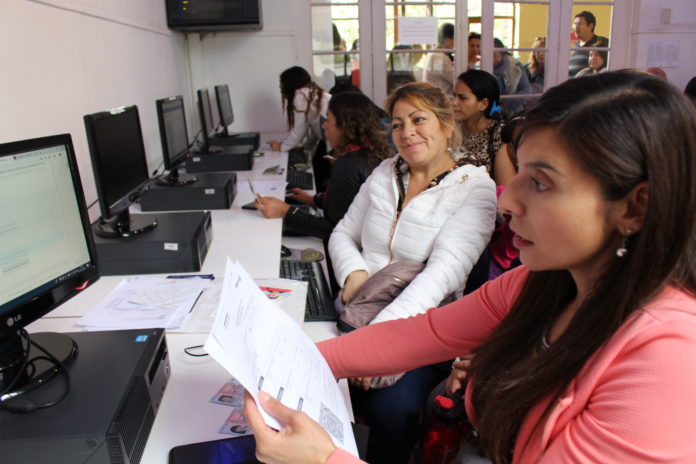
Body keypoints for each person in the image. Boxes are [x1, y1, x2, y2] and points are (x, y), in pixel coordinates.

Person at [244, 71, 696, 464]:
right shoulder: (541, 284)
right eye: (519, 172)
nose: (511, 200)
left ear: (635, 208)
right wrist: (292, 364)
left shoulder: (668, 358)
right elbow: (427, 333)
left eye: (541, 183)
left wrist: (323, 459)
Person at [327, 82, 497, 463]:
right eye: (398, 124)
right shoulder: (385, 172)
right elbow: (342, 232)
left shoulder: (475, 188)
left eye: (419, 120)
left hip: (424, 328)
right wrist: (353, 272)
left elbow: (441, 277)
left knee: (390, 410)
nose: (407, 133)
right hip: (357, 309)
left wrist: (371, 345)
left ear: (447, 124)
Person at [255, 92, 392, 243]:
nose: (324, 125)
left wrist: (286, 212)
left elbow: (334, 230)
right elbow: (349, 202)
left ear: (345, 127)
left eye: (329, 119)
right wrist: (314, 200)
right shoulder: (371, 154)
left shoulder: (348, 165)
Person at [452, 69, 516, 186]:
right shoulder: (451, 131)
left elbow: (505, 188)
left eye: (463, 98)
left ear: (483, 104)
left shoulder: (499, 134)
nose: (454, 102)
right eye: (454, 96)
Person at [267, 66, 331, 155]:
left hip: (335, 141)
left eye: (282, 83)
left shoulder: (301, 96)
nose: (280, 87)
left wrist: (281, 147)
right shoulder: (312, 93)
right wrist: (305, 146)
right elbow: (315, 127)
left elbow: (299, 131)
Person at [492, 38, 531, 115]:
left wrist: (504, 106)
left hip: (512, 112)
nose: (489, 58)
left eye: (493, 54)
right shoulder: (479, 66)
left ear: (502, 54)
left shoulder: (514, 66)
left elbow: (526, 90)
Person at [568, 10, 609, 78]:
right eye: (575, 24)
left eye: (580, 24)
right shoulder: (573, 48)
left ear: (590, 26)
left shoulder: (601, 43)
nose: (576, 27)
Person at [420, 23, 456, 95]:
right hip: (440, 100)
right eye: (454, 39)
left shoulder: (433, 53)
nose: (455, 43)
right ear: (447, 39)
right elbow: (456, 80)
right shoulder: (439, 57)